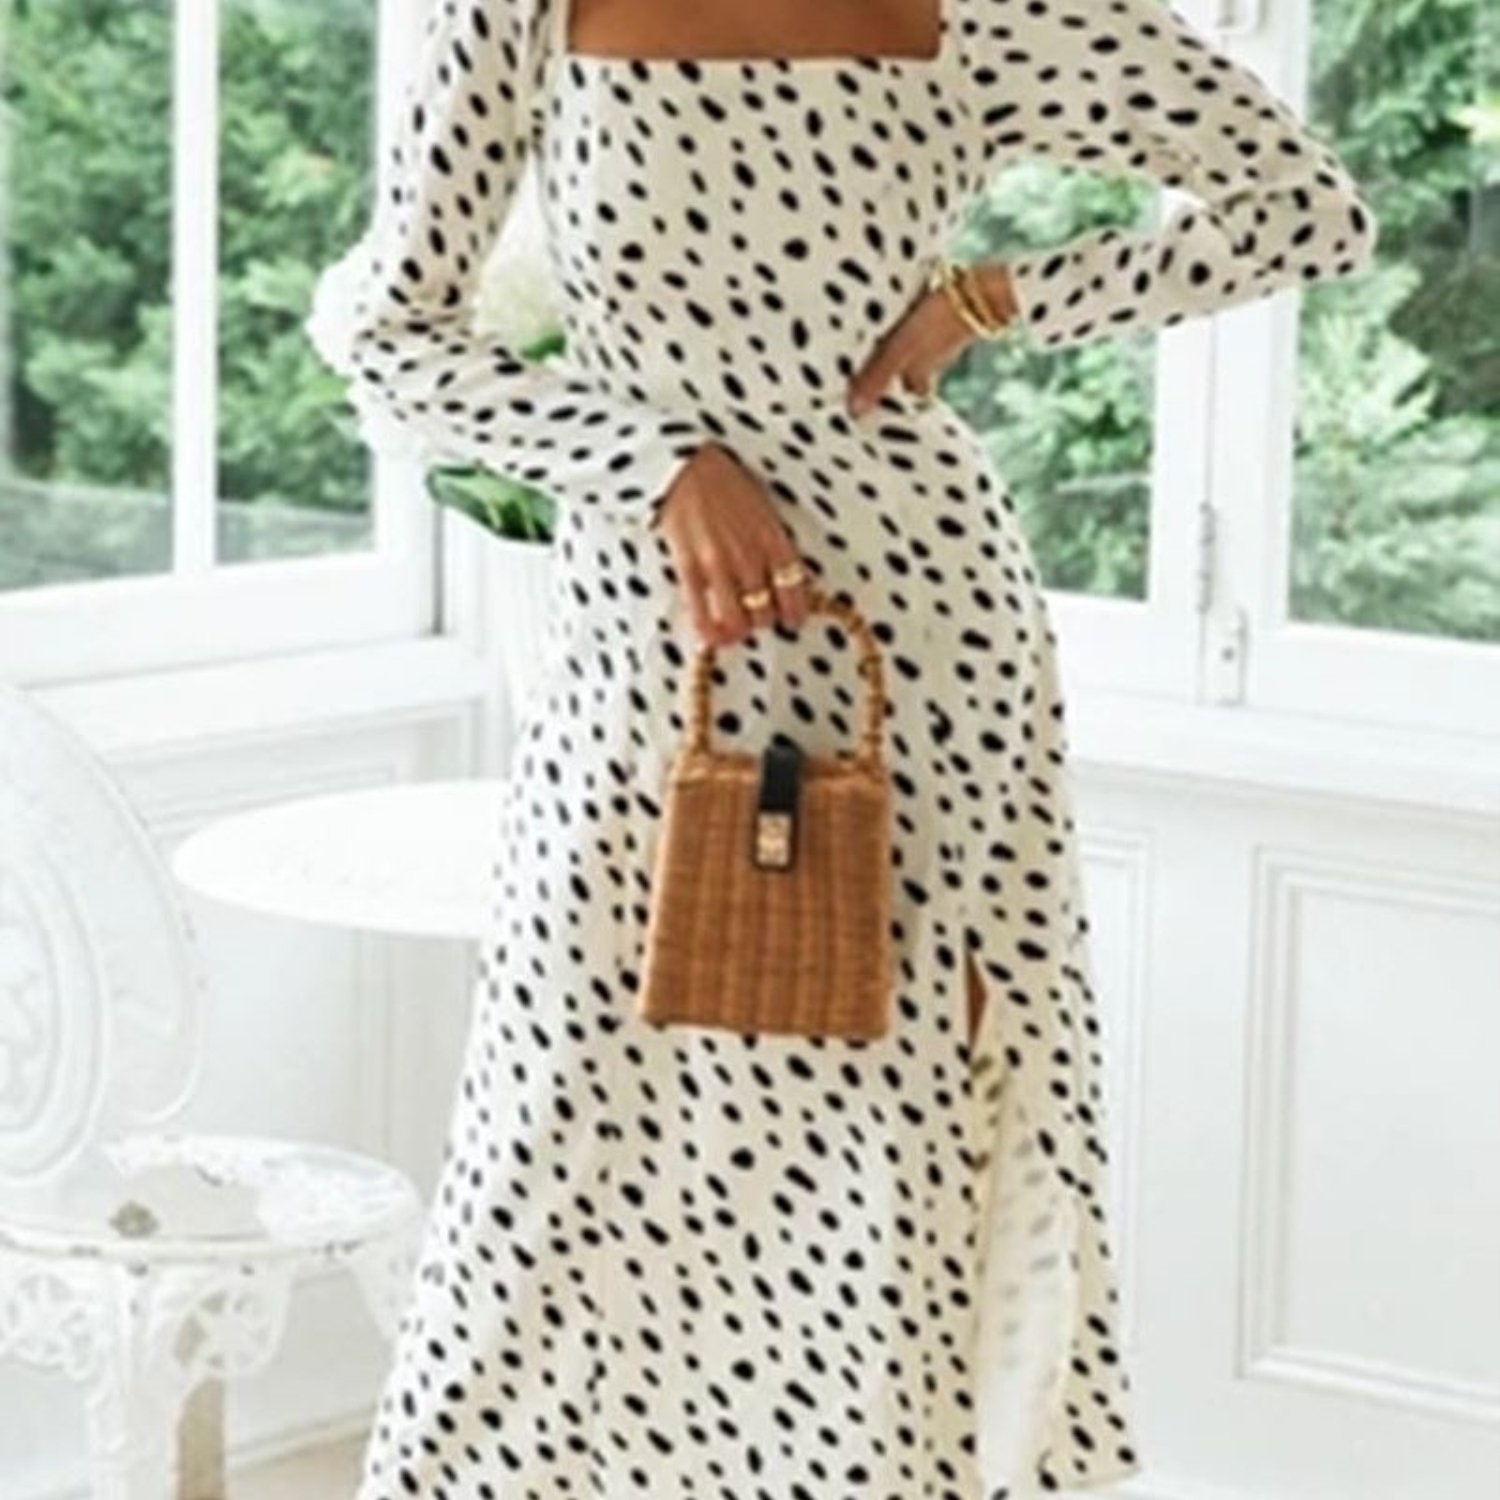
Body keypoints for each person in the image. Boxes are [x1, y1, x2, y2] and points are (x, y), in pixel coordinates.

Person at [316, 0, 1378, 1495]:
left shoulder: (981, 10)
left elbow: (1308, 209)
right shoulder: (521, 9)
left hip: (920, 635)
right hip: (650, 648)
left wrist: (990, 299)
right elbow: (390, 339)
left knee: (895, 1121)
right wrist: (656, 464)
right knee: (570, 1119)